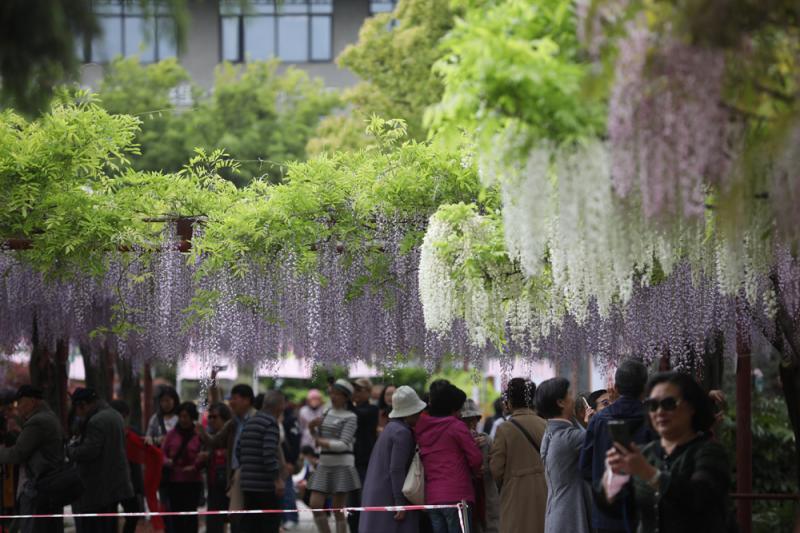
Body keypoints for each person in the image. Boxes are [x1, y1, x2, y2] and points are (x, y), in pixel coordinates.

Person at [600, 372, 733, 533]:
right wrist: (612, 479)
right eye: (653, 405)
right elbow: (621, 509)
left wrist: (648, 473)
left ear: (691, 407)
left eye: (669, 404)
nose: (660, 412)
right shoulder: (645, 453)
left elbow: (700, 498)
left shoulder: (710, 452)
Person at [580, 360, 654, 533]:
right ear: (644, 388)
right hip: (645, 513)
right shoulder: (654, 419)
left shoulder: (598, 420)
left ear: (617, 388)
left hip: (607, 515)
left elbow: (585, 467)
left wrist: (604, 486)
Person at [415, 383, 482, 533]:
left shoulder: (421, 427)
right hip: (458, 496)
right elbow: (476, 459)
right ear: (452, 409)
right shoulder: (456, 426)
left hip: (433, 498)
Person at [359, 385, 426, 533]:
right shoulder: (402, 433)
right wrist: (399, 503)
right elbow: (396, 469)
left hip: (378, 492)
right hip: (390, 494)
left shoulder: (391, 428)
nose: (420, 414)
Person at [68, 388, 134, 533]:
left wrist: (71, 449)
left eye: (77, 409)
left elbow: (89, 452)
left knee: (95, 526)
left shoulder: (96, 421)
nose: (78, 414)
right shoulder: (115, 415)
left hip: (97, 487)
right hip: (114, 484)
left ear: (83, 405)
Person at [0, 385, 65, 533]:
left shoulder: (38, 421)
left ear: (33, 401)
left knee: (33, 527)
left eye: (21, 402)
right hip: (49, 485)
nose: (19, 407)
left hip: (37, 487)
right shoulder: (49, 417)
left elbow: (18, 453)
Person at [197, 383, 256, 533]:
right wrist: (202, 432)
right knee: (236, 516)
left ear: (247, 400)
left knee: (250, 518)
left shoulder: (257, 419)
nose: (231, 402)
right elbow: (213, 440)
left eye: (235, 398)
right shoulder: (233, 423)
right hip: (236, 475)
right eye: (231, 399)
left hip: (255, 475)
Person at [489, 378, 547, 533]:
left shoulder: (505, 429)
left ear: (510, 402)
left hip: (515, 495)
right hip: (544, 491)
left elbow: (496, 469)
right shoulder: (545, 424)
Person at [536, 378, 592, 533]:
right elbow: (601, 438)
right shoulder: (568, 437)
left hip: (556, 513)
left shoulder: (550, 433)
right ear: (560, 402)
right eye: (569, 395)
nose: (573, 399)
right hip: (571, 515)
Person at [307, 379, 360, 533]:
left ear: (346, 397)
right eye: (332, 393)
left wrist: (321, 441)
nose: (333, 397)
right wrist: (311, 428)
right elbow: (317, 437)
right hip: (324, 462)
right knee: (315, 505)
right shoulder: (326, 411)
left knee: (338, 510)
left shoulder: (351, 416)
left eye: (338, 394)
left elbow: (344, 444)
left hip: (343, 463)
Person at [237, 391, 286, 533]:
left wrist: (248, 469)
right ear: (280, 407)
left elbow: (238, 450)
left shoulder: (249, 421)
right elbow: (269, 454)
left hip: (247, 484)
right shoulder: (270, 423)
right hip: (265, 486)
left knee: (250, 524)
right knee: (268, 525)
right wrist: (277, 480)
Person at [161, 402, 203, 533]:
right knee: (176, 516)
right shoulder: (171, 435)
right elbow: (162, 454)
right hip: (174, 482)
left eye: (186, 416)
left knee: (191, 516)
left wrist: (195, 466)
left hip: (192, 482)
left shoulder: (199, 435)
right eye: (181, 416)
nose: (183, 419)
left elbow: (205, 454)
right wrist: (167, 461)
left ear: (192, 417)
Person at [460, 399, 500, 533]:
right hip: (468, 495)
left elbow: (496, 466)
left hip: (487, 493)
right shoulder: (457, 442)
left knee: (491, 525)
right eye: (467, 420)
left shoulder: (486, 440)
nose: (472, 424)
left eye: (474, 419)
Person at [110, 400, 146, 533]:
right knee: (110, 517)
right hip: (112, 482)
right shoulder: (106, 433)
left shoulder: (134, 432)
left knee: (133, 514)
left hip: (130, 482)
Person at [348, 377, 379, 533]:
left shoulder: (372, 410)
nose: (355, 393)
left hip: (364, 461)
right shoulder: (349, 410)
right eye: (354, 390)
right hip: (349, 461)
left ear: (368, 391)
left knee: (363, 501)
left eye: (359, 390)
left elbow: (358, 416)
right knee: (350, 504)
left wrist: (346, 398)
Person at [204, 402, 232, 533]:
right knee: (214, 524)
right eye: (209, 417)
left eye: (215, 417)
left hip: (231, 485)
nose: (211, 420)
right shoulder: (207, 435)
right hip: (214, 485)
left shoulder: (232, 434)